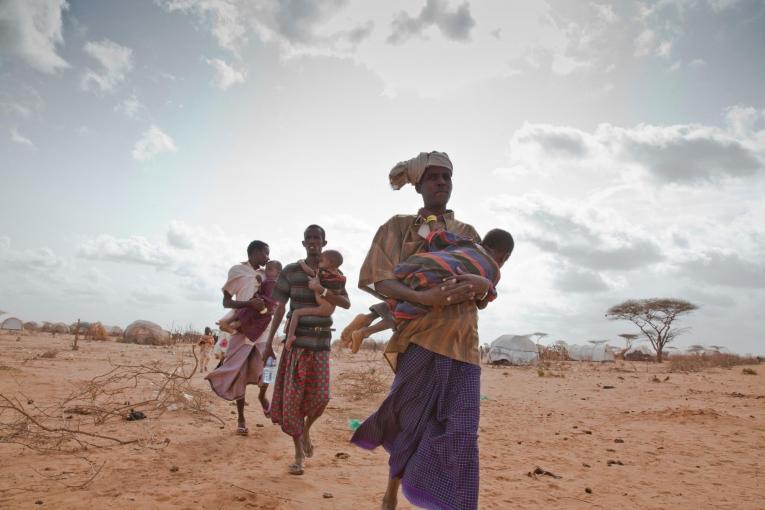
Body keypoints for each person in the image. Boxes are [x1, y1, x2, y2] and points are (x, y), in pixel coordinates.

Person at [350, 151, 496, 510]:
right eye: (432, 177)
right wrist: (423, 296)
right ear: (418, 185)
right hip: (418, 341)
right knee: (409, 421)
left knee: (462, 433)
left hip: (463, 345)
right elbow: (382, 280)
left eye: (446, 177)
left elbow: (484, 293)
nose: (441, 183)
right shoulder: (396, 228)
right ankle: (391, 492)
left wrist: (481, 282)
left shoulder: (467, 234)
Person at [265, 225, 350, 476]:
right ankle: (298, 454)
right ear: (303, 243)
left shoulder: (334, 274)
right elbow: (280, 309)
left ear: (324, 243)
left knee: (321, 398)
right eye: (309, 238)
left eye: (317, 238)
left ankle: (307, 430)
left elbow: (345, 303)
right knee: (293, 403)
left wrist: (323, 290)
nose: (313, 242)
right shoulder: (291, 271)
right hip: (296, 347)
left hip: (321, 344)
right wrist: (269, 342)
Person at [344, 228, 514, 353]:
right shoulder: (493, 270)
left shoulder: (466, 242)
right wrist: (486, 285)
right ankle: (366, 332)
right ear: (505, 257)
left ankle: (368, 316)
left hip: (419, 263)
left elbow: (437, 236)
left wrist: (428, 230)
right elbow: (483, 301)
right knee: (408, 311)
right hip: (438, 278)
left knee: (406, 295)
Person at [206, 240, 272, 435]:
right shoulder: (237, 271)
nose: (267, 258)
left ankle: (262, 396)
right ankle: (241, 418)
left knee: (269, 367)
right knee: (238, 374)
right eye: (265, 254)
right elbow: (227, 303)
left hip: (262, 329)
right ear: (255, 252)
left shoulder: (266, 274)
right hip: (242, 329)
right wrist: (248, 304)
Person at [284, 249, 345, 351]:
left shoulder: (323, 273)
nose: (318, 263)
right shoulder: (339, 276)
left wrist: (301, 263)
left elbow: (309, 271)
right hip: (330, 309)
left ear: (330, 263)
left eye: (321, 261)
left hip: (323, 307)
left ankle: (290, 336)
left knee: (296, 313)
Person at [222, 260, 282, 337]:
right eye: (266, 269)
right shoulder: (268, 280)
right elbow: (262, 290)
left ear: (279, 273)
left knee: (247, 314)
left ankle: (228, 324)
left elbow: (271, 298)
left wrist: (262, 302)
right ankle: (228, 324)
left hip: (263, 304)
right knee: (245, 313)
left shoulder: (274, 283)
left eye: (269, 270)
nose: (266, 271)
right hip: (258, 303)